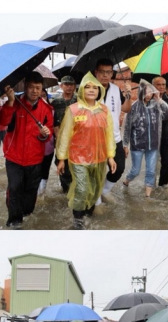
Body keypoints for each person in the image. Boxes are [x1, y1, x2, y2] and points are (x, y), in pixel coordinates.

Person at [55, 72, 118, 230]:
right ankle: (77, 220)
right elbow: (64, 136)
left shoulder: (104, 111)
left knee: (95, 190)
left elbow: (109, 134)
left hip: (99, 158)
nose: (91, 90)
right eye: (87, 87)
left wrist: (111, 156)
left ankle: (87, 215)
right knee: (82, 189)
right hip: (78, 159)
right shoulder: (73, 110)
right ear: (81, 90)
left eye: (94, 88)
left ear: (99, 91)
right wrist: (61, 158)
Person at [0, 71, 54, 229]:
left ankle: (26, 215)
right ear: (25, 86)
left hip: (35, 159)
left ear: (42, 88)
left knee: (31, 192)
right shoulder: (14, 102)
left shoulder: (46, 109)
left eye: (38, 88)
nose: (35, 91)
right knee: (15, 188)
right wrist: (10, 102)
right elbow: (3, 123)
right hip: (14, 157)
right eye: (31, 87)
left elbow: (48, 133)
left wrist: (45, 134)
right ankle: (13, 222)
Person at [93, 59, 134, 206]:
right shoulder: (90, 89)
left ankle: (104, 191)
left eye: (108, 72)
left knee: (119, 168)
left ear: (112, 73)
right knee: (96, 171)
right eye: (102, 72)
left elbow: (126, 109)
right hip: (95, 139)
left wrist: (128, 95)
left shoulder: (116, 89)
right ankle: (96, 202)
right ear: (96, 72)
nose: (105, 75)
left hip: (115, 138)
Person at [122, 80, 168, 197]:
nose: (149, 94)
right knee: (135, 170)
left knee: (151, 171)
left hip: (153, 144)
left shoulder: (156, 105)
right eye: (147, 92)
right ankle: (127, 180)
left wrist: (159, 100)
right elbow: (127, 127)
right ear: (141, 92)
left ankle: (148, 196)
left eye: (151, 92)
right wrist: (125, 144)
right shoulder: (134, 107)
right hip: (137, 145)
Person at [52, 76, 78, 194]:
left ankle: (74, 190)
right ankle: (65, 191)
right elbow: (52, 121)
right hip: (60, 139)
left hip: (76, 140)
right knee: (62, 165)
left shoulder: (79, 100)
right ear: (61, 86)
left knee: (75, 167)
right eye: (66, 84)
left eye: (71, 84)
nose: (69, 87)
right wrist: (58, 138)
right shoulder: (55, 102)